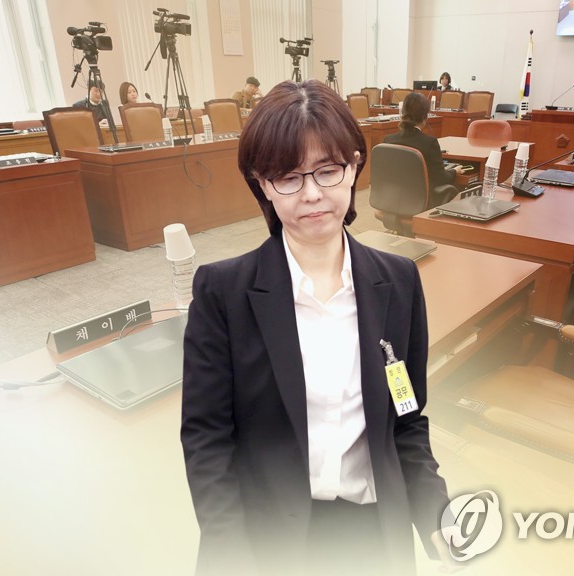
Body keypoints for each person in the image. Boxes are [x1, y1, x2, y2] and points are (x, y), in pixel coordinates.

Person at [181, 79, 452, 576]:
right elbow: (207, 443)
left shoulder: (398, 282)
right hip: (267, 541)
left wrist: (436, 513)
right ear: (262, 184)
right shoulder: (223, 292)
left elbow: (407, 418)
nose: (312, 195)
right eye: (288, 177)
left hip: (373, 531)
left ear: (354, 167)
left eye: (327, 171)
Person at [383, 92, 464, 205]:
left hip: (391, 201)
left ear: (402, 113)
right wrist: (454, 171)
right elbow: (441, 179)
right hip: (419, 204)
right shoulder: (429, 143)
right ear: (424, 117)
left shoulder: (388, 140)